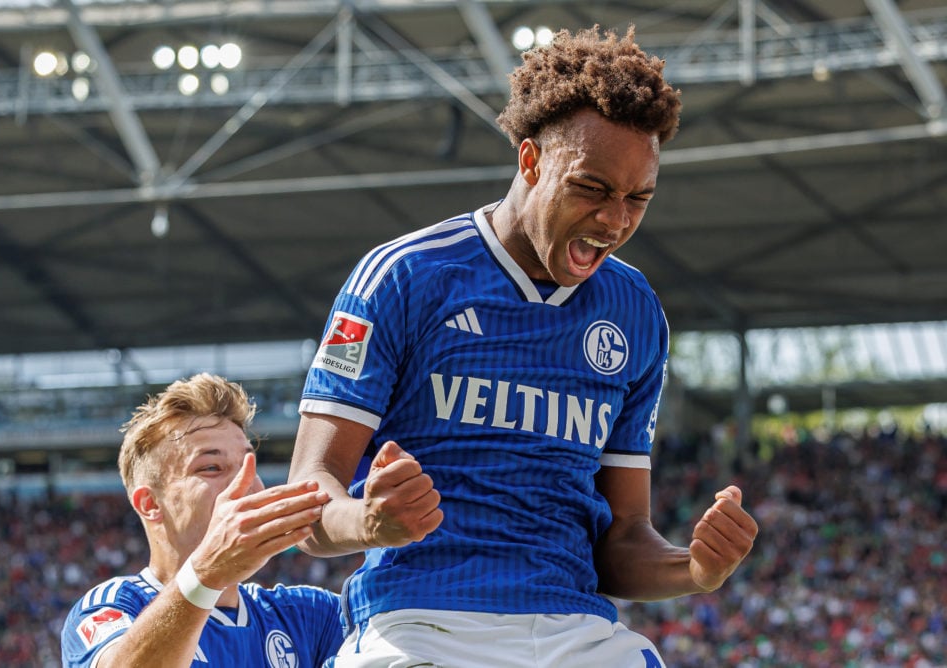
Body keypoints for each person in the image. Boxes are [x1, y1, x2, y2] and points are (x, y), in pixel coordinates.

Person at [288, 25, 759, 667]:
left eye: (638, 198)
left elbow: (622, 540)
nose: (616, 220)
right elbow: (309, 501)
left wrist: (695, 569)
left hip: (578, 633)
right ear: (531, 161)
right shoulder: (404, 277)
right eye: (592, 188)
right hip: (423, 624)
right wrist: (368, 520)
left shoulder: (635, 310)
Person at [61, 373, 345, 668]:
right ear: (150, 504)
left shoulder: (309, 615)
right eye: (211, 467)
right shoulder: (111, 606)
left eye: (250, 464)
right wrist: (207, 573)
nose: (245, 482)